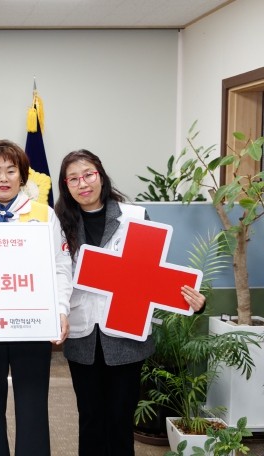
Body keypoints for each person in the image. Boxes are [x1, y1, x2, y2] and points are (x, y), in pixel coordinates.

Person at [55, 149, 206, 456]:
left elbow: (151, 273)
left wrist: (193, 300)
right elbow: (55, 273)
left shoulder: (134, 216)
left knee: (120, 420)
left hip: (126, 331)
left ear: (101, 176)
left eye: (88, 175)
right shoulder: (59, 223)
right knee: (90, 420)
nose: (83, 183)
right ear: (66, 186)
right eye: (73, 179)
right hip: (83, 334)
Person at [0, 139, 72, 456]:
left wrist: (60, 309)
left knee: (33, 403)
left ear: (22, 176)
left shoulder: (44, 215)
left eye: (11, 170)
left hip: (32, 323)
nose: (3, 178)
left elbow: (61, 267)